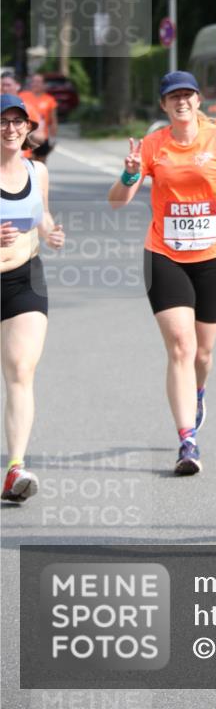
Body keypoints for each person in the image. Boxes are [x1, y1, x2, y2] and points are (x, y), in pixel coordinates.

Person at [108, 71, 216, 476]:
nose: (181, 102)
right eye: (172, 96)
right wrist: (128, 173)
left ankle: (198, 391)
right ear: (163, 105)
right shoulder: (153, 145)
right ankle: (187, 440)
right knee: (180, 345)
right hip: (165, 255)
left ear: (199, 102)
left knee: (203, 353)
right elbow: (119, 200)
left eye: (187, 95)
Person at [1, 94, 65, 502]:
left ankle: (14, 468)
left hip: (25, 279)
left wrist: (51, 232)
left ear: (28, 128)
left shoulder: (37, 171)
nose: (9, 129)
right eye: (2, 122)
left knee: (21, 369)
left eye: (16, 122)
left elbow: (41, 214)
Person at [1, 74, 46, 155]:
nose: (4, 88)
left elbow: (40, 136)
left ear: (17, 86)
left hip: (22, 158)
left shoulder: (28, 108)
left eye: (8, 85)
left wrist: (24, 134)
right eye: (2, 85)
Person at [21, 72, 58, 163]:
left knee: (40, 166)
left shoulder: (49, 100)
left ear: (44, 85)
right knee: (28, 165)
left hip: (42, 138)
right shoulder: (22, 96)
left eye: (38, 81)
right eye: (33, 81)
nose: (35, 84)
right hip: (26, 137)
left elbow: (53, 121)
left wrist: (53, 139)